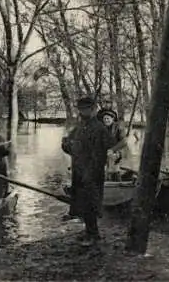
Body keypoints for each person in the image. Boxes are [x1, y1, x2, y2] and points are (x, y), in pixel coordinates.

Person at [61, 96, 114, 246]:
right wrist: (65, 145)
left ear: (92, 110)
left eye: (85, 109)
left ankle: (93, 235)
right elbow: (72, 147)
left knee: (91, 203)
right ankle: (89, 232)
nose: (82, 112)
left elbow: (105, 149)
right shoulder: (79, 127)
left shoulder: (99, 128)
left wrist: (91, 171)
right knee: (81, 203)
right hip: (79, 170)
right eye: (81, 109)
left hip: (92, 172)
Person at [99, 109, 128, 180]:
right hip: (107, 152)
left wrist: (112, 150)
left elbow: (124, 141)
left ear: (112, 119)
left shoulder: (118, 127)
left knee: (113, 161)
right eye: (104, 119)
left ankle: (115, 179)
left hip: (118, 151)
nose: (106, 120)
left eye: (108, 118)